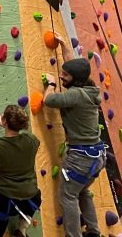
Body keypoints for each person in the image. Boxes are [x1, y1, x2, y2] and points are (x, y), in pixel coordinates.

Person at [44, 35, 106, 237]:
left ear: (75, 80)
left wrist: (51, 85)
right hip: (96, 156)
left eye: (65, 76)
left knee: (67, 195)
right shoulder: (88, 89)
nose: (62, 76)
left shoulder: (75, 95)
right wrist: (64, 45)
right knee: (82, 191)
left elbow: (50, 101)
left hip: (81, 157)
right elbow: (73, 69)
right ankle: (94, 231)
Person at [0, 105, 41, 237]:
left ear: (4, 120)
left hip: (4, 202)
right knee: (31, 201)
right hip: (30, 198)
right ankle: (22, 229)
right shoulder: (32, 140)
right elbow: (17, 151)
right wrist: (7, 126)